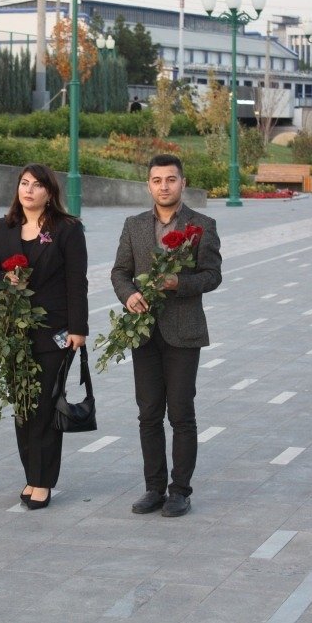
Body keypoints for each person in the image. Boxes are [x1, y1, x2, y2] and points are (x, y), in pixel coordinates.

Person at [110, 153, 221, 517]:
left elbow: (212, 275)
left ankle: (180, 491)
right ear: (149, 185)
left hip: (183, 331)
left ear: (182, 183)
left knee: (182, 413)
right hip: (144, 333)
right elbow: (119, 273)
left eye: (170, 179)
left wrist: (179, 282)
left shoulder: (202, 224)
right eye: (157, 180)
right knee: (148, 413)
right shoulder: (134, 225)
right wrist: (130, 297)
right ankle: (154, 488)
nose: (164, 186)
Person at [0, 163, 89, 510]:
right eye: (24, 183)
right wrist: (4, 281)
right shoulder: (3, 228)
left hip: (55, 332)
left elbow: (77, 281)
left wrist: (78, 329)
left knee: (43, 406)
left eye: (37, 185)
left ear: (50, 193)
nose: (28, 190)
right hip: (14, 332)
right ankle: (32, 474)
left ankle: (43, 481)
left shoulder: (67, 229)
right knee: (23, 407)